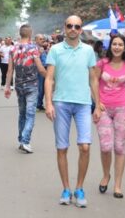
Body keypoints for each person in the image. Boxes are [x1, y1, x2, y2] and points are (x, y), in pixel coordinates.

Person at [44, 16, 98, 208]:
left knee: (85, 146)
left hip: (83, 103)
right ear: (64, 28)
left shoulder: (89, 51)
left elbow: (93, 79)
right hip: (61, 103)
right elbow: (49, 78)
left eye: (77, 26)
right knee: (62, 148)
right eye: (70, 26)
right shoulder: (55, 50)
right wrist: (48, 103)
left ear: (81, 29)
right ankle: (66, 188)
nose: (73, 29)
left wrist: (98, 105)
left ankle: (79, 187)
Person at [93, 33, 125, 198]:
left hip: (122, 108)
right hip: (104, 109)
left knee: (119, 147)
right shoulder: (102, 63)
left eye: (120, 44)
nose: (117, 47)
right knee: (106, 146)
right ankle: (106, 175)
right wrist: (97, 104)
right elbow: (93, 83)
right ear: (110, 46)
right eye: (114, 44)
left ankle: (118, 185)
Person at [4, 24, 46, 154]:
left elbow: (10, 70)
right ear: (30, 34)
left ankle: (21, 139)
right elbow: (39, 68)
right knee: (30, 114)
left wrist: (7, 87)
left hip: (19, 86)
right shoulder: (33, 49)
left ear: (20, 33)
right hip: (32, 85)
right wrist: (50, 77)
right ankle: (25, 141)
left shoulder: (13, 49)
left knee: (22, 114)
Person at [34, 34, 48, 111]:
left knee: (43, 88)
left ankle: (39, 104)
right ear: (36, 40)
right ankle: (37, 105)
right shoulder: (35, 48)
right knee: (40, 88)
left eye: (43, 39)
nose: (42, 40)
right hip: (39, 70)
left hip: (45, 69)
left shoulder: (42, 48)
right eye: (40, 39)